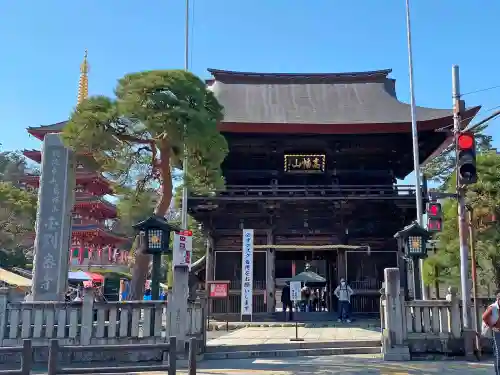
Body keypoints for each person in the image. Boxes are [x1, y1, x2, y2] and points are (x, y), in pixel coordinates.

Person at [482, 292, 500, 374]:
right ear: (498, 299)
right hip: (496, 332)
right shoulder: (493, 308)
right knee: (498, 353)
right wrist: (492, 326)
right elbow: (484, 317)